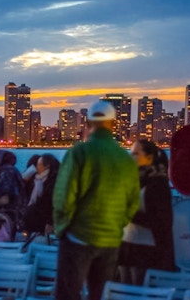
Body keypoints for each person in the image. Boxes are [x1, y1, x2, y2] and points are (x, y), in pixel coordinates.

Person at [53, 100, 140, 300]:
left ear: (88, 123)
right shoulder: (125, 159)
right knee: (99, 295)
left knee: (68, 293)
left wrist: (62, 227)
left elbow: (63, 197)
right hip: (110, 238)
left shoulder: (79, 152)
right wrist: (117, 224)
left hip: (78, 237)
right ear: (113, 124)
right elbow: (132, 202)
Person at [118, 140, 175, 285]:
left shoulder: (158, 185)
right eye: (131, 153)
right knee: (124, 290)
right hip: (126, 246)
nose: (131, 157)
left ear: (149, 158)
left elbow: (162, 222)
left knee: (139, 290)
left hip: (147, 251)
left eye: (136, 153)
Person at [0, 149, 26, 231]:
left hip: (8, 216)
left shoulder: (6, 172)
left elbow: (2, 193)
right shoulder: (12, 170)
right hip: (14, 214)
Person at [22, 153, 60, 235]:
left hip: (45, 220)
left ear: (47, 166)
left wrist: (50, 222)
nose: (36, 167)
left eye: (39, 164)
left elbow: (54, 203)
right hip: (34, 218)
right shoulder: (37, 179)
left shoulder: (53, 181)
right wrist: (25, 181)